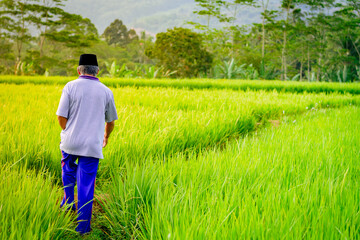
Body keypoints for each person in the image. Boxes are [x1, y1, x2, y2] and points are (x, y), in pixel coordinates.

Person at [56, 54, 118, 234]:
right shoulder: (106, 91)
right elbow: (111, 122)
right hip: (92, 145)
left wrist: (68, 130)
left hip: (70, 142)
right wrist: (106, 136)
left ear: (78, 70)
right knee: (86, 184)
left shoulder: (70, 86)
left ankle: (68, 204)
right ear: (97, 71)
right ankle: (83, 227)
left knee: (67, 171)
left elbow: (61, 116)